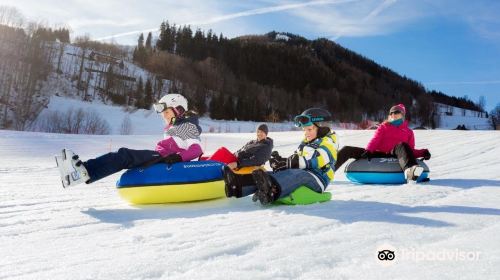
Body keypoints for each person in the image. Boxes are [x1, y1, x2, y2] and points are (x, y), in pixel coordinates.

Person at [56, 93, 203, 188]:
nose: (164, 116)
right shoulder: (174, 127)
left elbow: (196, 149)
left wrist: (178, 157)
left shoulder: (187, 126)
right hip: (161, 157)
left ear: (179, 110)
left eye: (166, 112)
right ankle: (83, 170)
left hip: (165, 159)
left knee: (124, 155)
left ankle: (83, 171)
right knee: (121, 156)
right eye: (162, 113)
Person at [223, 108, 338, 205]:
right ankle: (238, 185)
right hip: (302, 172)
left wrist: (290, 163)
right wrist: (282, 163)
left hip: (318, 179)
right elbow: (296, 158)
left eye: (309, 129)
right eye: (304, 130)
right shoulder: (306, 141)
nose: (306, 133)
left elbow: (317, 159)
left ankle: (271, 191)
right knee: (268, 174)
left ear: (322, 127)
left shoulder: (329, 142)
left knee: (296, 174)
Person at [333, 104, 431, 182]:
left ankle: (410, 170)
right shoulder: (384, 127)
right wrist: (369, 150)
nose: (393, 114)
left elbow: (409, 151)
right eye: (391, 113)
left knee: (402, 145)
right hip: (379, 153)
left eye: (396, 112)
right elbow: (375, 139)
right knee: (347, 149)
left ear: (403, 115)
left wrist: (423, 152)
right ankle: (325, 173)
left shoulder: (409, 132)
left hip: (396, 154)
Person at [216, 124, 273, 197]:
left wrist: (238, 163)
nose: (259, 134)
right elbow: (241, 150)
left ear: (266, 133)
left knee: (223, 157)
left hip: (242, 162)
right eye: (258, 131)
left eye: (262, 132)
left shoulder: (266, 146)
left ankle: (215, 173)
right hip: (237, 159)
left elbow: (256, 160)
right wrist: (233, 155)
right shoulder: (252, 142)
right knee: (222, 151)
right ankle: (209, 164)